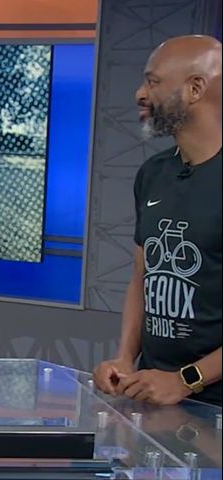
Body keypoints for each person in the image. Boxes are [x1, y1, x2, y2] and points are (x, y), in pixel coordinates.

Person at [92, 35, 222, 406]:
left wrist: (186, 380)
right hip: (152, 396)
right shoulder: (153, 173)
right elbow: (142, 275)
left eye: (153, 82)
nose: (140, 93)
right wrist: (124, 358)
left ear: (195, 89)